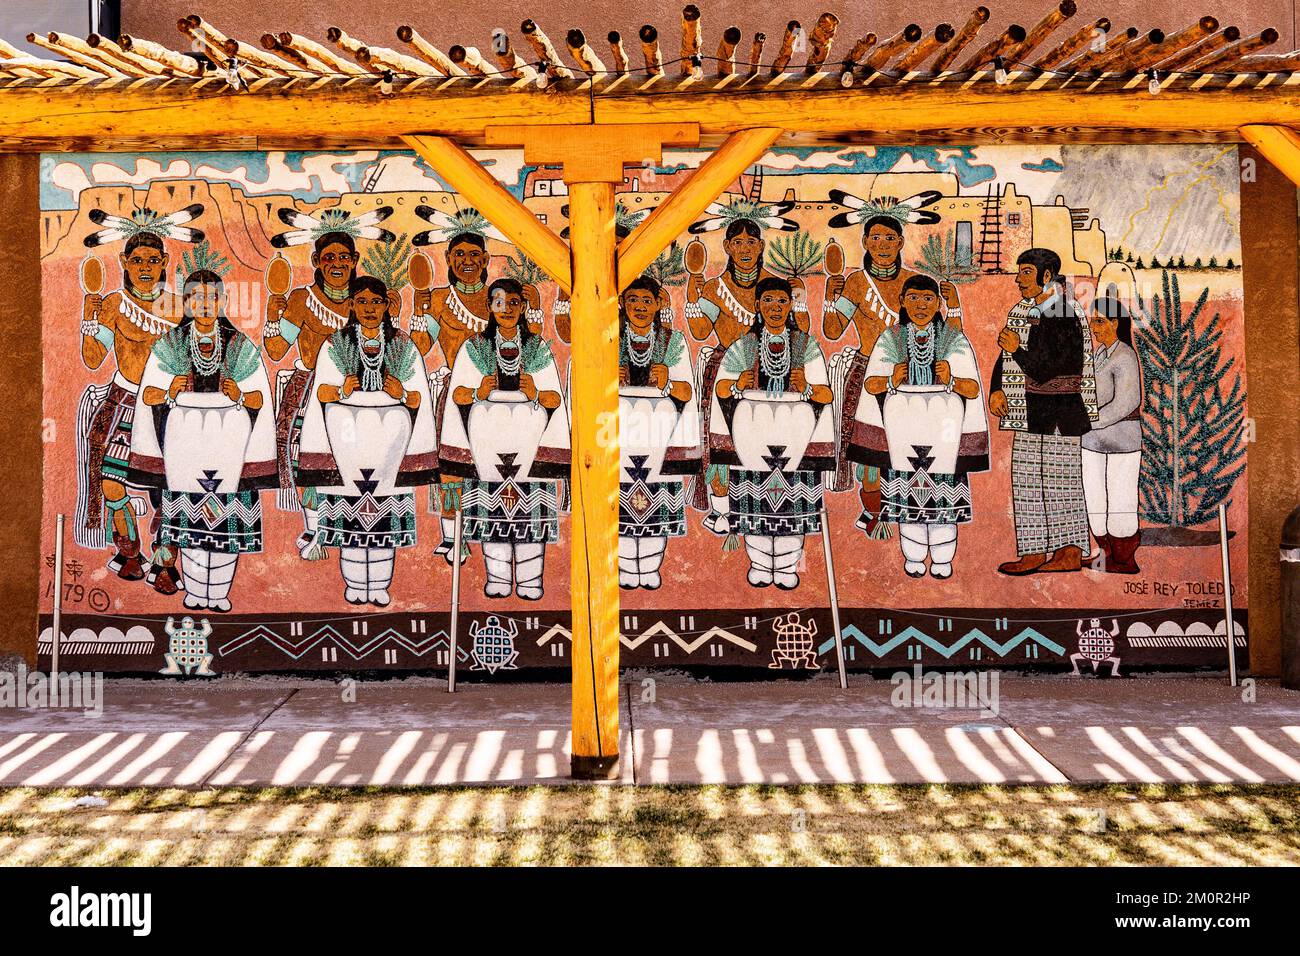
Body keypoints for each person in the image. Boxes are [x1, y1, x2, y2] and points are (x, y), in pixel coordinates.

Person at [128, 271, 276, 611]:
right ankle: (196, 592)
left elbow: (260, 401)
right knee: (189, 524)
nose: (205, 305)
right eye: (197, 298)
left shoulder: (240, 345)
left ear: (222, 302)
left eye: (212, 298)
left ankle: (220, 593)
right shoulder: (170, 345)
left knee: (227, 527)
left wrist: (240, 394)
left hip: (229, 446)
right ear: (187, 303)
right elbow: (147, 396)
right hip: (185, 445)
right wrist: (168, 391)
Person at [78, 205, 204, 593]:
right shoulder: (114, 304)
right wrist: (90, 318)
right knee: (113, 485)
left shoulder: (178, 305)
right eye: (137, 260)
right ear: (124, 262)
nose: (146, 267)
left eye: (153, 259)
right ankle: (130, 551)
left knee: (170, 487)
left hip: (168, 407)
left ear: (165, 261)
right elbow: (92, 359)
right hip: (124, 401)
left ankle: (166, 562)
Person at [822, 190, 961, 539]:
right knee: (870, 453)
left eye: (889, 237)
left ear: (900, 241)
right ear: (865, 241)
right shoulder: (855, 282)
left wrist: (954, 308)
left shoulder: (915, 284)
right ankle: (873, 511)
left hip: (918, 377)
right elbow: (833, 331)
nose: (882, 244)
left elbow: (946, 339)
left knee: (915, 448)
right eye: (875, 237)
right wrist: (830, 297)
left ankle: (913, 511)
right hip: (869, 373)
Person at [412, 206, 545, 563]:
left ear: (486, 257)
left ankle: (506, 530)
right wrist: (420, 312)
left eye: (474, 254)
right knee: (455, 465)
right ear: (448, 258)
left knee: (507, 463)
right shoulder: (440, 300)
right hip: (457, 394)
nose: (467, 261)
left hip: (510, 399)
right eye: (459, 255)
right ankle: (453, 533)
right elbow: (422, 348)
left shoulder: (502, 297)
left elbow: (534, 344)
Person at [295, 276, 436, 606]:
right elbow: (323, 393)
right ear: (351, 306)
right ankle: (355, 586)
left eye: (376, 302)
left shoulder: (402, 345)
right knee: (351, 529)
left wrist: (401, 392)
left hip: (390, 447)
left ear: (387, 305)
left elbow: (418, 399)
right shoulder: (335, 345)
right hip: (349, 445)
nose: (370, 309)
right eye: (363, 302)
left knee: (383, 524)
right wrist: (344, 389)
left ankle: (381, 585)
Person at [265, 206, 395, 560]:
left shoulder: (368, 299)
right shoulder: (301, 301)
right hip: (310, 389)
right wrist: (273, 315)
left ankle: (360, 524)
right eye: (328, 257)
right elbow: (276, 351)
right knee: (305, 455)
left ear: (354, 259)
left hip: (366, 390)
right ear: (316, 262)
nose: (336, 263)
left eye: (343, 256)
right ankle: (315, 527)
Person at [849, 275, 989, 578]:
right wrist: (891, 379)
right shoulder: (891, 338)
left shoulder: (953, 339)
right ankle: (912, 557)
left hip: (944, 434)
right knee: (906, 498)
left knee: (943, 500)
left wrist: (951, 379)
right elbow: (872, 384)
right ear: (902, 301)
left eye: (928, 298)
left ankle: (942, 559)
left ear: (938, 303)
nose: (920, 305)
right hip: (903, 431)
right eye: (913, 297)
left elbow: (973, 389)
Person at [439, 278, 569, 600]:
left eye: (514, 303)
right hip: (487, 444)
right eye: (499, 302)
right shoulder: (474, 348)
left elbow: (555, 399)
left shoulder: (538, 349)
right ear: (489, 307)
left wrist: (535, 392)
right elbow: (457, 393)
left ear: (523, 307)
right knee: (491, 515)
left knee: (532, 519)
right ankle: (496, 579)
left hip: (528, 443)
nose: (507, 309)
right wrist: (477, 392)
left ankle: (530, 581)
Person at [684, 199, 803, 541]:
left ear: (762, 245)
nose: (745, 249)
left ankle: (772, 507)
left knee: (773, 441)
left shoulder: (778, 287)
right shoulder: (713, 288)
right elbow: (700, 334)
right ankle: (723, 511)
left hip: (775, 368)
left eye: (751, 242)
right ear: (726, 246)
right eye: (737, 242)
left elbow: (803, 331)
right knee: (723, 444)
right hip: (726, 372)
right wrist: (693, 296)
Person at [710, 276, 834, 589]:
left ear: (790, 304)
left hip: (796, 438)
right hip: (753, 436)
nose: (775, 307)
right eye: (768, 301)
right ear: (757, 305)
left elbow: (826, 395)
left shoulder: (806, 347)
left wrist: (807, 387)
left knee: (793, 512)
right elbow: (721, 388)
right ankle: (760, 564)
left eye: (782, 301)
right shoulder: (744, 346)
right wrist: (738, 383)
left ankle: (789, 566)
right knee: (753, 509)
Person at [988, 248, 1099, 575]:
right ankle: (1034, 552)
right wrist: (997, 387)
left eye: (1025, 272)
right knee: (1025, 482)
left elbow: (1049, 368)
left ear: (1046, 277)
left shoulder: (1063, 311)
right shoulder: (1024, 309)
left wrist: (1015, 351)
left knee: (1061, 484)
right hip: (1028, 411)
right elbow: (1007, 354)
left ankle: (1069, 553)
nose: (1018, 279)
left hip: (1059, 414)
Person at [617, 275, 699, 589]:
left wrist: (667, 382)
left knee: (657, 501)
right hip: (615, 435)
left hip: (658, 436)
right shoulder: (608, 339)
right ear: (623, 304)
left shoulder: (672, 342)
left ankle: (650, 568)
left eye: (647, 301)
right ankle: (624, 568)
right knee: (619, 503)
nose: (640, 307)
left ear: (659, 304)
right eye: (633, 300)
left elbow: (686, 391)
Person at [1082, 283, 1144, 573]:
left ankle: (1124, 559)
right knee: (1095, 499)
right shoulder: (1099, 356)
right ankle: (1104, 553)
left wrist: (1090, 420)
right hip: (1092, 442)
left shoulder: (1125, 357)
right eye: (1093, 321)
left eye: (1099, 321)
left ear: (1115, 323)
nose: (1094, 327)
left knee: (1120, 500)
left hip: (1122, 442)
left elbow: (1126, 403)